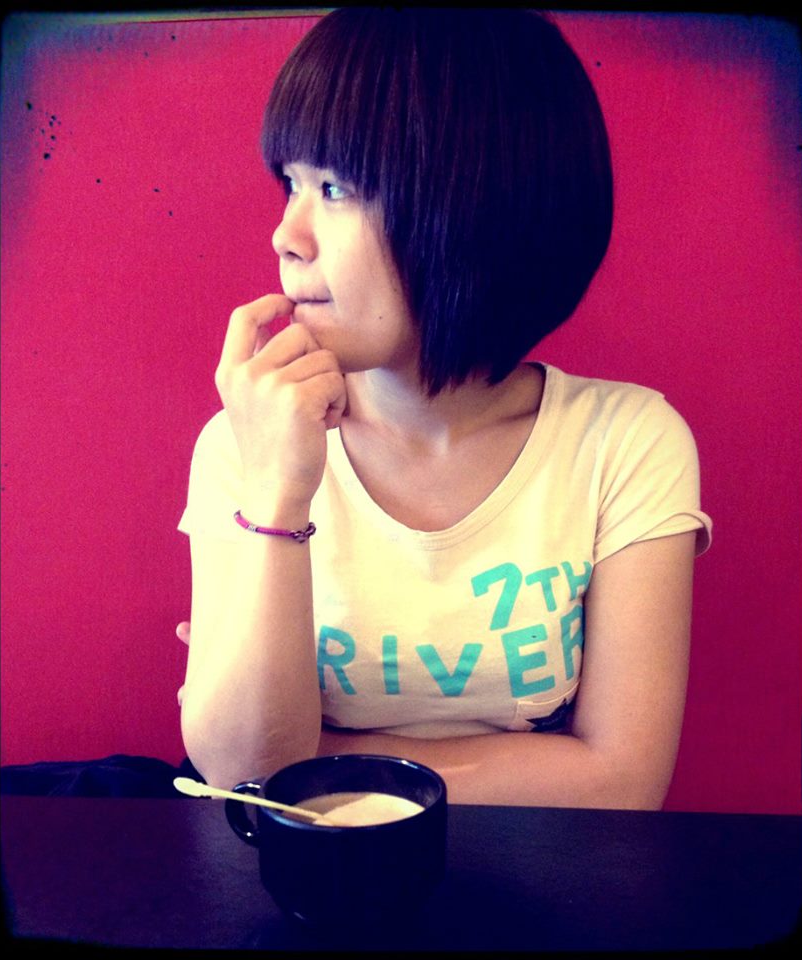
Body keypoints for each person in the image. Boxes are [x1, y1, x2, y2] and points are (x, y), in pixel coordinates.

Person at [177, 7, 712, 809]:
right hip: (317, 872)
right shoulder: (246, 442)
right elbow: (245, 775)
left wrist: (325, 754)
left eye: (335, 188)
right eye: (291, 184)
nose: (286, 235)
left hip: (542, 872)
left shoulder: (626, 443)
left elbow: (623, 782)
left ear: (473, 207)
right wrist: (278, 495)